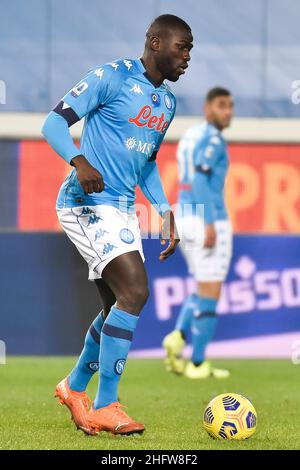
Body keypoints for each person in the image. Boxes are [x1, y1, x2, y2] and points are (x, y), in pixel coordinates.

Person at [42, 14, 193, 436]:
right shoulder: (111, 77)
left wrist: (163, 210)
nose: (187, 58)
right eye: (182, 48)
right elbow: (53, 122)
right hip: (85, 202)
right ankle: (107, 403)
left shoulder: (167, 103)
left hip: (122, 209)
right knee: (135, 291)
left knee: (115, 308)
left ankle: (74, 387)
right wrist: (79, 160)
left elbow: (146, 162)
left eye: (190, 51)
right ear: (156, 42)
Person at [163, 87, 234, 380]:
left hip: (184, 215)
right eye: (221, 106)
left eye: (230, 106)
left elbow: (187, 179)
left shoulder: (190, 136)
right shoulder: (213, 139)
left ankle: (177, 336)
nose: (227, 112)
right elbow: (202, 181)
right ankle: (197, 364)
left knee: (202, 287)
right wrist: (209, 222)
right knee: (211, 292)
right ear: (208, 109)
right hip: (205, 217)